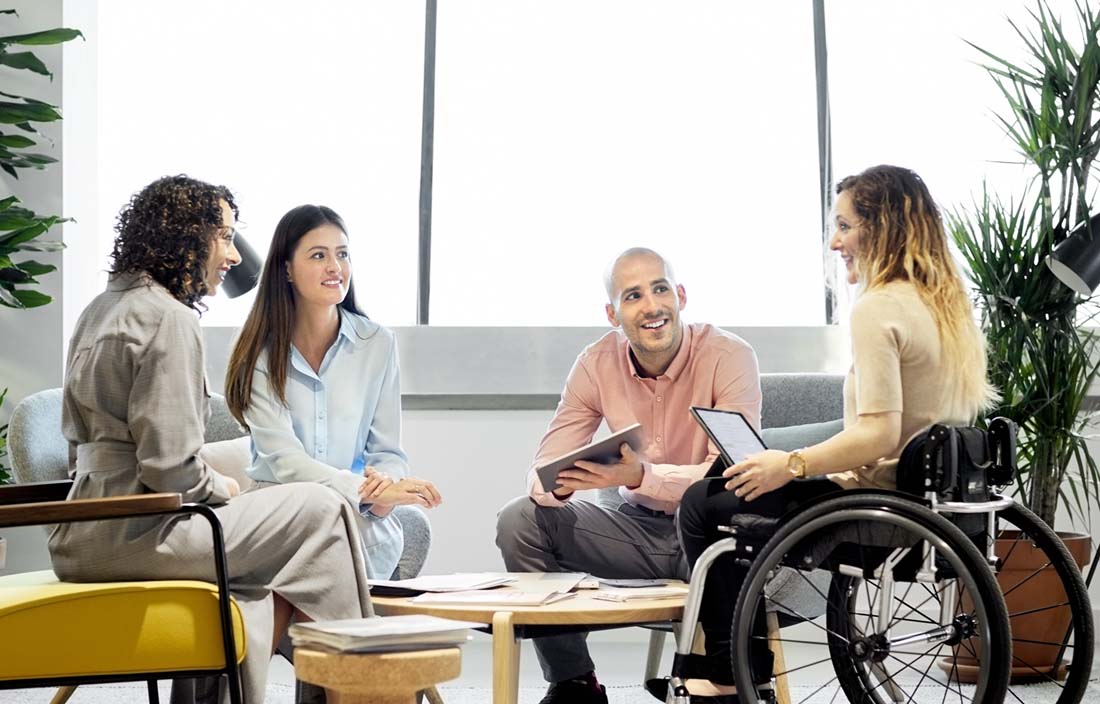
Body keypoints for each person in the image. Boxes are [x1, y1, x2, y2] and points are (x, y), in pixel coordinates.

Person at [664, 165, 998, 703]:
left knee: (703, 504)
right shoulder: (947, 306)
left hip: (876, 511)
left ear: (882, 226)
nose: (835, 241)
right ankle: (736, 659)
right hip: (935, 506)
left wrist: (789, 464)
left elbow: (878, 435)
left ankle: (733, 667)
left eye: (844, 225)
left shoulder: (879, 308)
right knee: (724, 473)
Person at [49, 176, 374, 704]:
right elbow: (169, 470)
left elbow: (84, 444)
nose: (231, 253)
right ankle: (365, 690)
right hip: (139, 532)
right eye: (223, 235)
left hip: (79, 531)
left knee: (256, 568)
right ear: (187, 236)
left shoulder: (100, 308)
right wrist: (224, 489)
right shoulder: (168, 319)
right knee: (321, 508)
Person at [495, 247, 762, 704]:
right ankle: (575, 683)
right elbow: (544, 469)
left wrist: (642, 476)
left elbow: (728, 477)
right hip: (635, 530)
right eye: (633, 296)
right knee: (518, 520)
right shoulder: (596, 363)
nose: (651, 306)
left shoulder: (728, 356)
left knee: (724, 528)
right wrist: (563, 482)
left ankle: (726, 681)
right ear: (612, 314)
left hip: (709, 536)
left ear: (680, 295)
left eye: (660, 289)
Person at [224, 204, 441, 581]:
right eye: (318, 255)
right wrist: (363, 490)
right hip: (278, 508)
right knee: (328, 543)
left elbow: (387, 451)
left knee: (353, 540)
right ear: (287, 269)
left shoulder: (377, 344)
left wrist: (384, 489)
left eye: (342, 254)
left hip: (356, 514)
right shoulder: (258, 351)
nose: (334, 267)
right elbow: (286, 462)